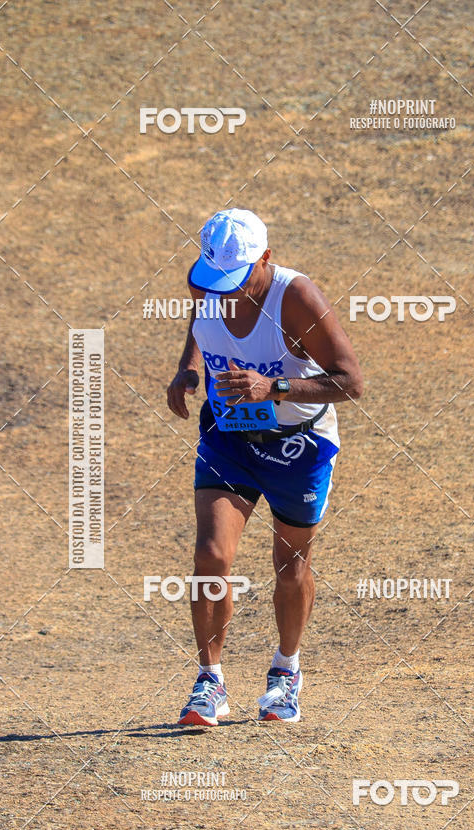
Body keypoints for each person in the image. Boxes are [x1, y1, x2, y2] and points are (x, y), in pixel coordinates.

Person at [167, 208, 363, 725]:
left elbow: (350, 381)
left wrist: (272, 386)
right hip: (228, 435)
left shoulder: (296, 298)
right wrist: (189, 369)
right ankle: (210, 680)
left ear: (266, 260)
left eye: (235, 282)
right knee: (210, 556)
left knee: (290, 563)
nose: (222, 293)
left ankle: (286, 671)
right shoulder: (207, 282)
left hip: (298, 444)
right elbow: (201, 320)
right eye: (215, 282)